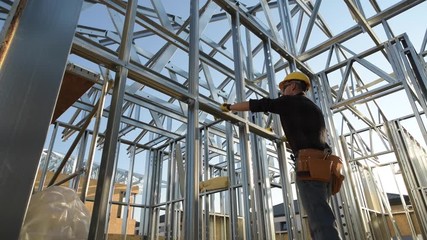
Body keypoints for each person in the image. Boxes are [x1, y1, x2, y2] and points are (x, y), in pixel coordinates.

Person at [220, 71, 341, 240]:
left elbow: (260, 104)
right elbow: (309, 133)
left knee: (321, 222)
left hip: (309, 167)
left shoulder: (289, 101)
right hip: (324, 168)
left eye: (283, 88)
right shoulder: (313, 108)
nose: (282, 93)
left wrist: (230, 107)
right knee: (320, 217)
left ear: (292, 86)